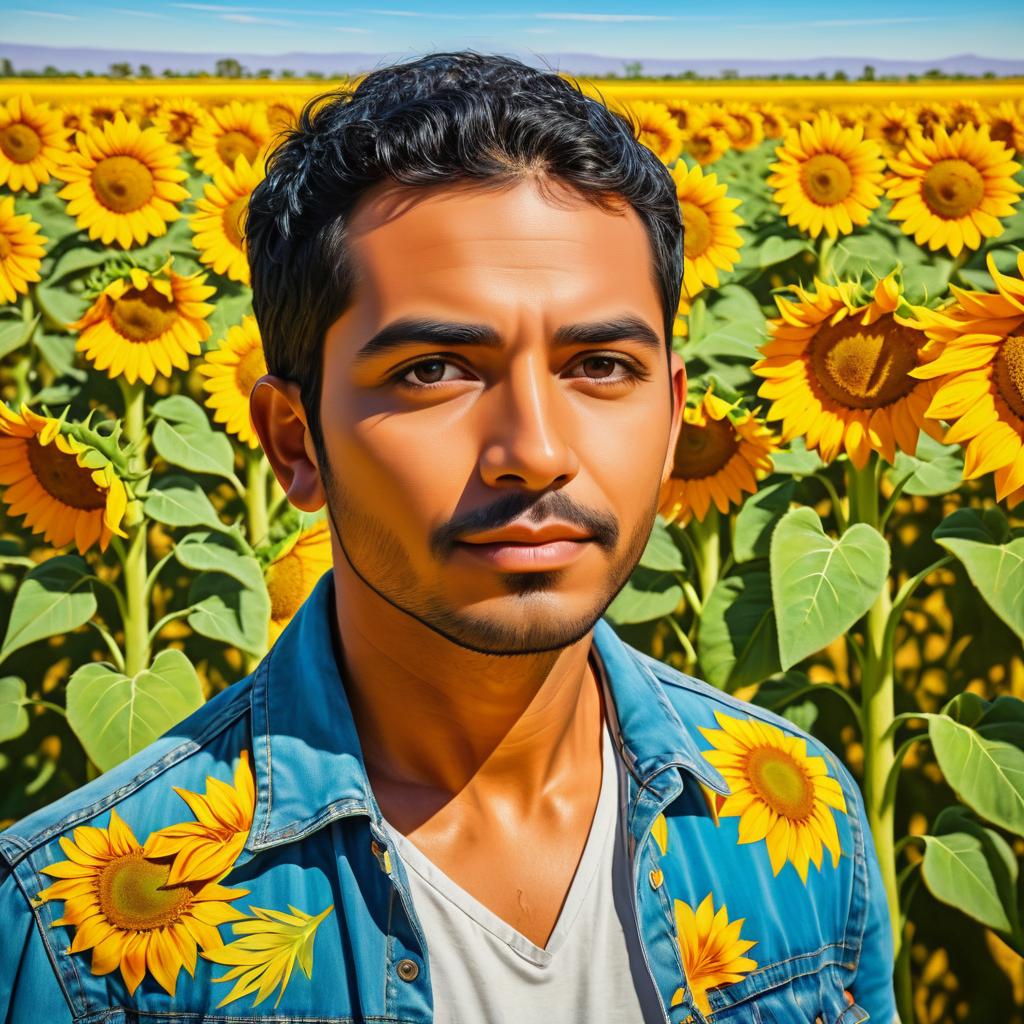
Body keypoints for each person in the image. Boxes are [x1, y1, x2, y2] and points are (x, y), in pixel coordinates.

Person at [0, 51, 896, 1024]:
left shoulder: (797, 817)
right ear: (294, 442)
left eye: (598, 364)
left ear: (675, 417)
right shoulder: (78, 925)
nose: (536, 451)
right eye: (434, 370)